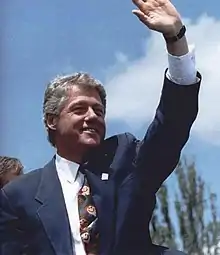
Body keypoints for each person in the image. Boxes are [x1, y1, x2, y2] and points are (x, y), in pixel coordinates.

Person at [0, 0, 201, 254]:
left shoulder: (127, 159)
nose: (93, 116)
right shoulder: (18, 196)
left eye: (99, 111)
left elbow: (172, 126)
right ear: (52, 120)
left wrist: (176, 38)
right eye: (79, 109)